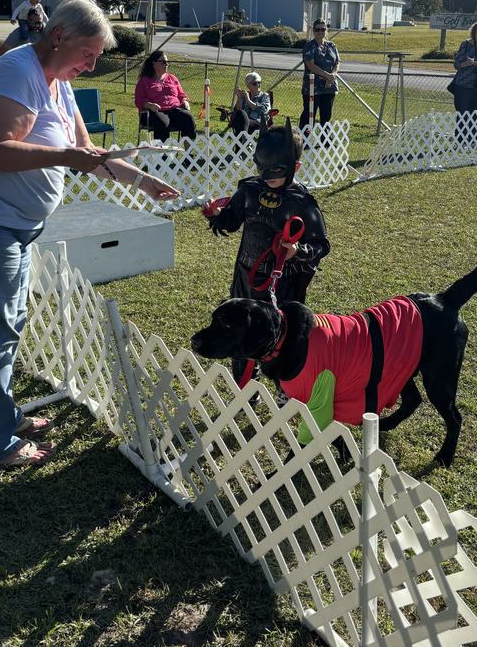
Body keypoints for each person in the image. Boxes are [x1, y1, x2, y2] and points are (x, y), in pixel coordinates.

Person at [0, 0, 179, 470]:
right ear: (59, 36)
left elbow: (86, 149)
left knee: (7, 325)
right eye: (88, 54)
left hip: (13, 226)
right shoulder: (17, 72)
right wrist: (65, 158)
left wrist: (140, 180)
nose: (91, 65)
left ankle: (2, 416)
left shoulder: (60, 82)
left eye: (97, 58)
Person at [205, 119, 330, 386]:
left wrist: (298, 251)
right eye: (263, 169)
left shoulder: (302, 203)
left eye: (276, 170)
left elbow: (321, 245)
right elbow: (232, 220)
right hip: (244, 276)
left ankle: (286, 391)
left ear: (295, 167)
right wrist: (217, 216)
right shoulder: (249, 189)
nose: (268, 175)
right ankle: (245, 390)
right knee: (240, 333)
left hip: (281, 284)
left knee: (280, 339)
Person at [135, 51, 197, 141]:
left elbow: (181, 94)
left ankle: (188, 154)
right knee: (162, 123)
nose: (167, 64)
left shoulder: (172, 78)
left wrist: (184, 100)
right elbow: (139, 100)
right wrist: (150, 105)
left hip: (174, 109)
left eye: (167, 62)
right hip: (154, 111)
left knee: (188, 118)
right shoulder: (144, 81)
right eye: (163, 62)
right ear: (154, 63)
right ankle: (162, 155)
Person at [299, 19, 340, 129]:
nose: (320, 32)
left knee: (326, 115)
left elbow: (337, 62)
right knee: (309, 115)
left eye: (323, 29)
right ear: (313, 31)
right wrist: (327, 76)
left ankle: (324, 139)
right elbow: (311, 66)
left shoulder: (332, 46)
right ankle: (304, 138)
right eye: (317, 29)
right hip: (313, 87)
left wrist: (332, 76)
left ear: (327, 30)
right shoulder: (309, 46)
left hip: (329, 86)